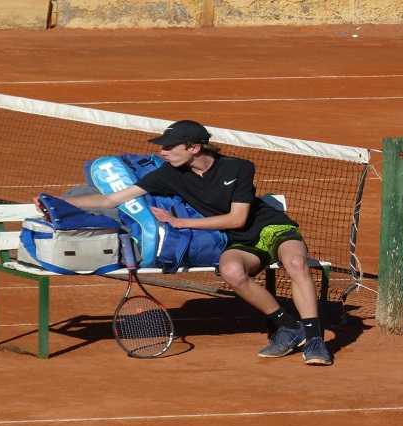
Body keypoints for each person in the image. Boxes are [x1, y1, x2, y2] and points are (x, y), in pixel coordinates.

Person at [50, 120, 333, 365]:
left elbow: (237, 218)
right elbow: (111, 199)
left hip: (270, 228)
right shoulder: (168, 174)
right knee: (233, 272)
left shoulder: (238, 168)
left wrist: (182, 223)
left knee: (296, 263)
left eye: (170, 147)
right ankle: (287, 325)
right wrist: (58, 201)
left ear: (194, 148)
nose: (162, 151)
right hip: (237, 241)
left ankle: (314, 339)